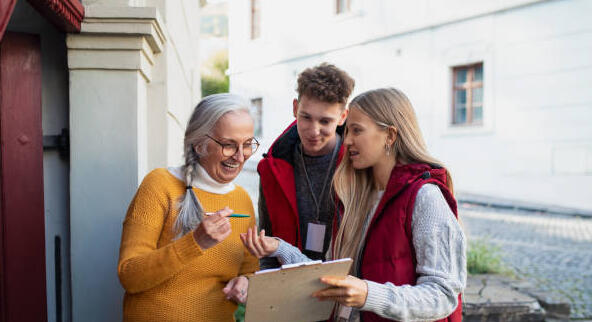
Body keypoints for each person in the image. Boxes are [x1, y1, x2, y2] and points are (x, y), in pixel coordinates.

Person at [243, 88, 466, 322]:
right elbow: (335, 278)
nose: (346, 140)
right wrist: (280, 249)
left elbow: (443, 295)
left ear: (390, 135)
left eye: (356, 130)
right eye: (347, 130)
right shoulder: (355, 197)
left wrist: (368, 295)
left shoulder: (425, 198)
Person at [117, 93, 260, 322]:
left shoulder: (242, 200)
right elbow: (129, 275)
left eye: (247, 144)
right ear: (199, 143)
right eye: (228, 145)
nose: (241, 156)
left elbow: (249, 270)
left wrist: (245, 283)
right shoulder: (160, 184)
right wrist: (195, 243)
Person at [257, 63, 354, 268]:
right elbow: (267, 245)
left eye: (325, 121)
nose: (313, 130)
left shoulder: (358, 165)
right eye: (306, 117)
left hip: (347, 288)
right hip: (288, 290)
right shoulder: (271, 169)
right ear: (295, 108)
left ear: (342, 117)